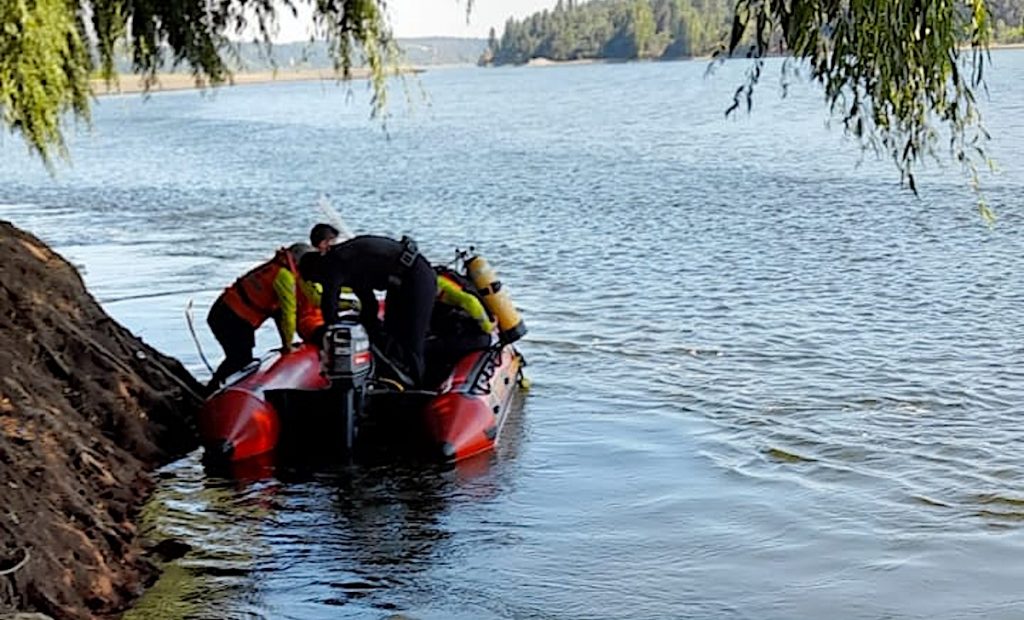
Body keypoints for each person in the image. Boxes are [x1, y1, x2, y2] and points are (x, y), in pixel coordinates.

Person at [299, 234, 436, 387]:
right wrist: (367, 329)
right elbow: (369, 304)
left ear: (316, 269)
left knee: (412, 342)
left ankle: (420, 388)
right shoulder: (351, 267)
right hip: (400, 281)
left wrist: (327, 334)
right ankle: (395, 380)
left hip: (417, 275)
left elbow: (329, 304)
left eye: (316, 280)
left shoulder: (334, 263)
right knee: (391, 333)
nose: (320, 283)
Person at [206, 242, 315, 390]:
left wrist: (286, 344)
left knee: (239, 358)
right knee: (240, 360)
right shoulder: (285, 277)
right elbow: (288, 314)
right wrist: (288, 347)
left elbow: (279, 315)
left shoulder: (277, 268)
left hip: (225, 310)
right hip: (232, 316)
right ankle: (213, 392)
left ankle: (216, 389)